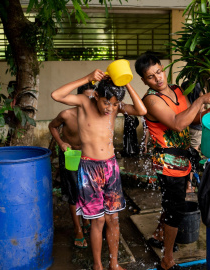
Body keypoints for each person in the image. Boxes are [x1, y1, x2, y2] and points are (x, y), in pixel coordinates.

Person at [51, 69, 147, 270]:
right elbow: (56, 95)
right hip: (89, 168)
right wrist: (87, 78)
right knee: (99, 220)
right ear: (96, 96)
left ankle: (114, 263)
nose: (110, 108)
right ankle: (98, 265)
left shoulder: (117, 107)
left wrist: (127, 83)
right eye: (106, 102)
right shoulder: (85, 103)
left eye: (113, 104)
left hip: (110, 166)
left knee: (114, 219)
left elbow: (141, 110)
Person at [135, 52, 210, 270]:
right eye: (151, 77)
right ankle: (167, 261)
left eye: (159, 71)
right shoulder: (151, 100)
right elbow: (177, 124)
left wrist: (208, 113)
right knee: (176, 210)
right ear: (144, 81)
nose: (158, 78)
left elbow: (190, 118)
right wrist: (200, 100)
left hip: (184, 160)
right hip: (168, 163)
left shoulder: (177, 90)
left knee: (173, 203)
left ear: (163, 68)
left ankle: (157, 235)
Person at [49, 82, 95, 249]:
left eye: (92, 98)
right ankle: (78, 230)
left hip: (88, 158)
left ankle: (86, 220)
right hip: (70, 156)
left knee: (88, 190)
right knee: (73, 193)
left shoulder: (96, 116)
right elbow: (52, 126)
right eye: (86, 98)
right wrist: (61, 142)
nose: (89, 101)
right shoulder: (66, 115)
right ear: (78, 99)